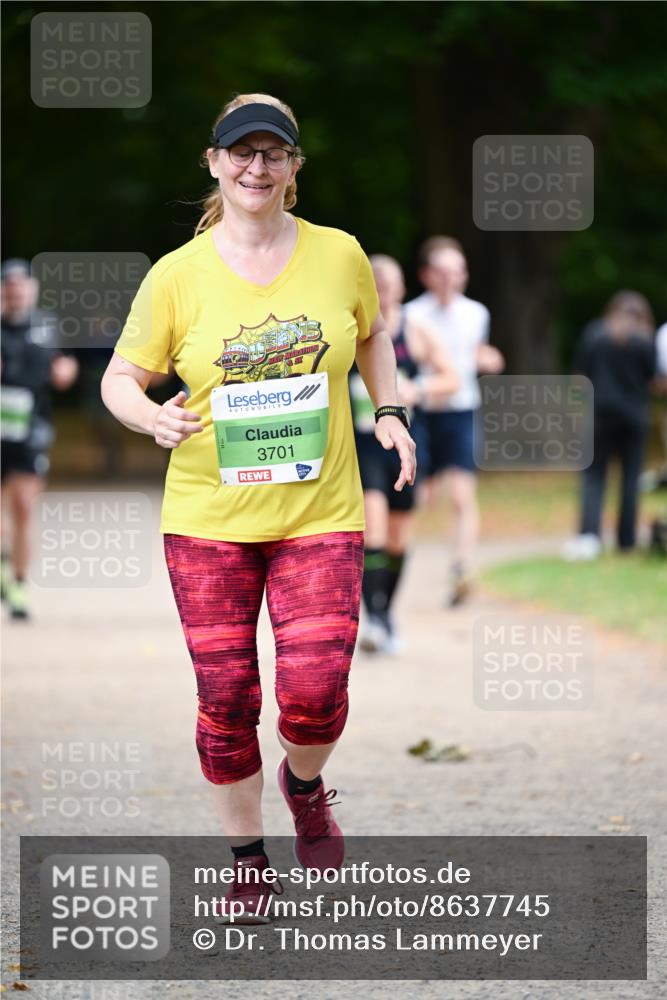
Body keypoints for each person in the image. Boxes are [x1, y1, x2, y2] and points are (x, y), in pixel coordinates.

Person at [101, 93, 416, 923]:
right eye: (240, 152)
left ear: (293, 167)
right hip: (207, 519)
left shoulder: (338, 254)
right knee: (227, 695)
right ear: (214, 163)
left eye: (273, 152)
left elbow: (372, 334)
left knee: (314, 690)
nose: (256, 166)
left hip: (320, 512)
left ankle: (303, 785)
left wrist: (388, 410)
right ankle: (247, 859)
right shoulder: (176, 274)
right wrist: (151, 417)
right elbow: (119, 379)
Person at [352, 254, 459, 653]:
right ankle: (376, 621)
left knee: (398, 538)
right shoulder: (352, 328)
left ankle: (385, 614)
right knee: (373, 529)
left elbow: (452, 377)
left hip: (406, 446)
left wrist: (419, 389)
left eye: (389, 285)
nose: (383, 292)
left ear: (400, 288)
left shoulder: (416, 330)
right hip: (364, 444)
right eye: (376, 285)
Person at [404, 236, 504, 605]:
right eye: (443, 271)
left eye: (458, 271)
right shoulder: (412, 314)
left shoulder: (477, 313)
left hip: (462, 410)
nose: (451, 278)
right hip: (423, 412)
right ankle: (396, 566)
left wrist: (487, 358)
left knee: (462, 495)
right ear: (426, 275)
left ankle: (462, 567)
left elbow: (473, 352)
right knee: (419, 497)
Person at [1, 258, 78, 620]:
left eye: (21, 285)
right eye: (8, 286)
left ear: (32, 289)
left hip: (31, 426)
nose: (15, 292)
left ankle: (17, 585)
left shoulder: (47, 326)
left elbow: (65, 364)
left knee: (24, 505)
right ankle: (4, 564)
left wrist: (66, 372)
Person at [563, 291, 657, 559]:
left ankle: (588, 537)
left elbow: (580, 377)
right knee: (630, 479)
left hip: (599, 414)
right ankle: (626, 542)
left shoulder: (595, 334)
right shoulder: (644, 340)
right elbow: (652, 380)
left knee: (593, 477)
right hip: (634, 416)